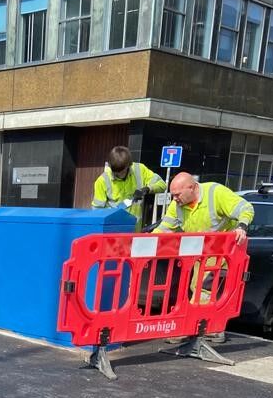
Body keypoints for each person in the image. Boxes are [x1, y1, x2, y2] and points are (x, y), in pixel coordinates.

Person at [154, 172, 254, 343]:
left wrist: (241, 227)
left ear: (192, 188)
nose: (175, 199)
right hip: (200, 257)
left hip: (222, 256)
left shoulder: (215, 193)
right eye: (173, 195)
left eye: (178, 195)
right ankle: (211, 329)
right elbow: (164, 229)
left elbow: (246, 208)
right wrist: (146, 243)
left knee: (204, 292)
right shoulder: (177, 205)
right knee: (199, 291)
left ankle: (192, 328)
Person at [92, 146, 166, 230]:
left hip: (135, 230)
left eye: (121, 172)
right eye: (115, 173)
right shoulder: (102, 181)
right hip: (113, 232)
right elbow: (97, 211)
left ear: (128, 165)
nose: (118, 175)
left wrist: (148, 189)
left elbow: (162, 184)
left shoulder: (139, 169)